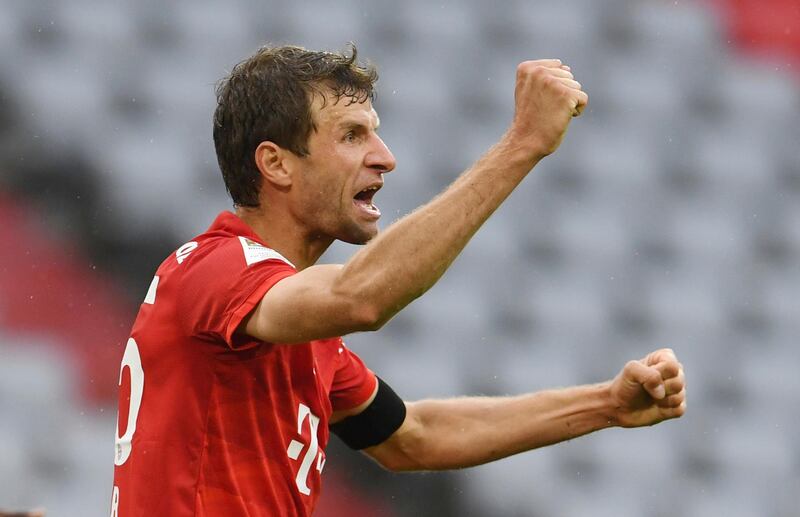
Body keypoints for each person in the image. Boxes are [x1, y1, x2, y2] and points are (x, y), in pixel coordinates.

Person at [110, 45, 686, 516]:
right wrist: (523, 144)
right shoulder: (215, 267)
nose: (385, 157)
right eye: (352, 135)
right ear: (276, 163)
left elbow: (414, 437)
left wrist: (605, 405)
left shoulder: (295, 324)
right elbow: (361, 298)